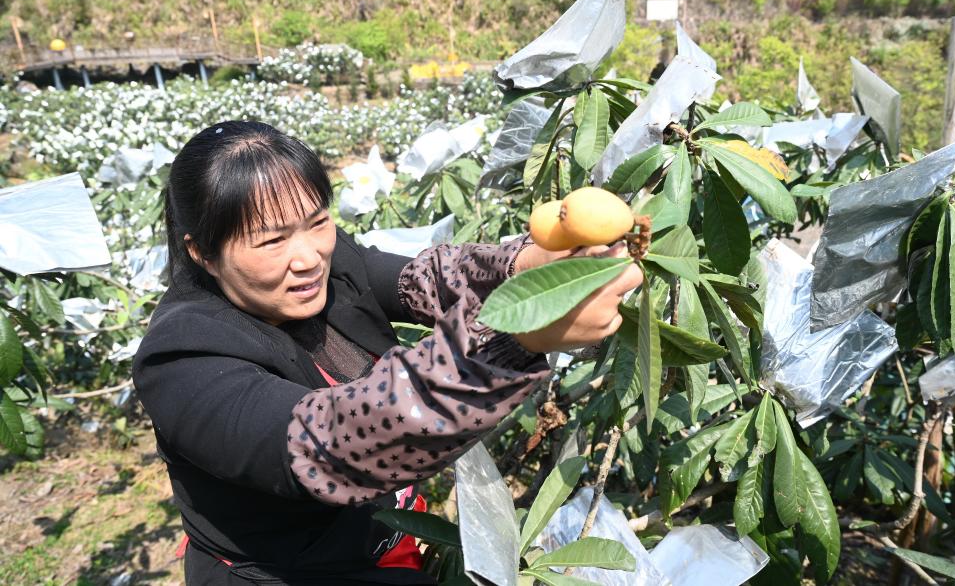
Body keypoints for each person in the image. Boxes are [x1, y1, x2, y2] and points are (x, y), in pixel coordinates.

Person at [133, 121, 643, 585]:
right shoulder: (181, 360)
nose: (308, 257)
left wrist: (531, 264)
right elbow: (329, 445)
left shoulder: (326, 263)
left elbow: (428, 280)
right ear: (201, 251)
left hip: (380, 535)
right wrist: (515, 336)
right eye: (272, 241)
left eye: (316, 222)